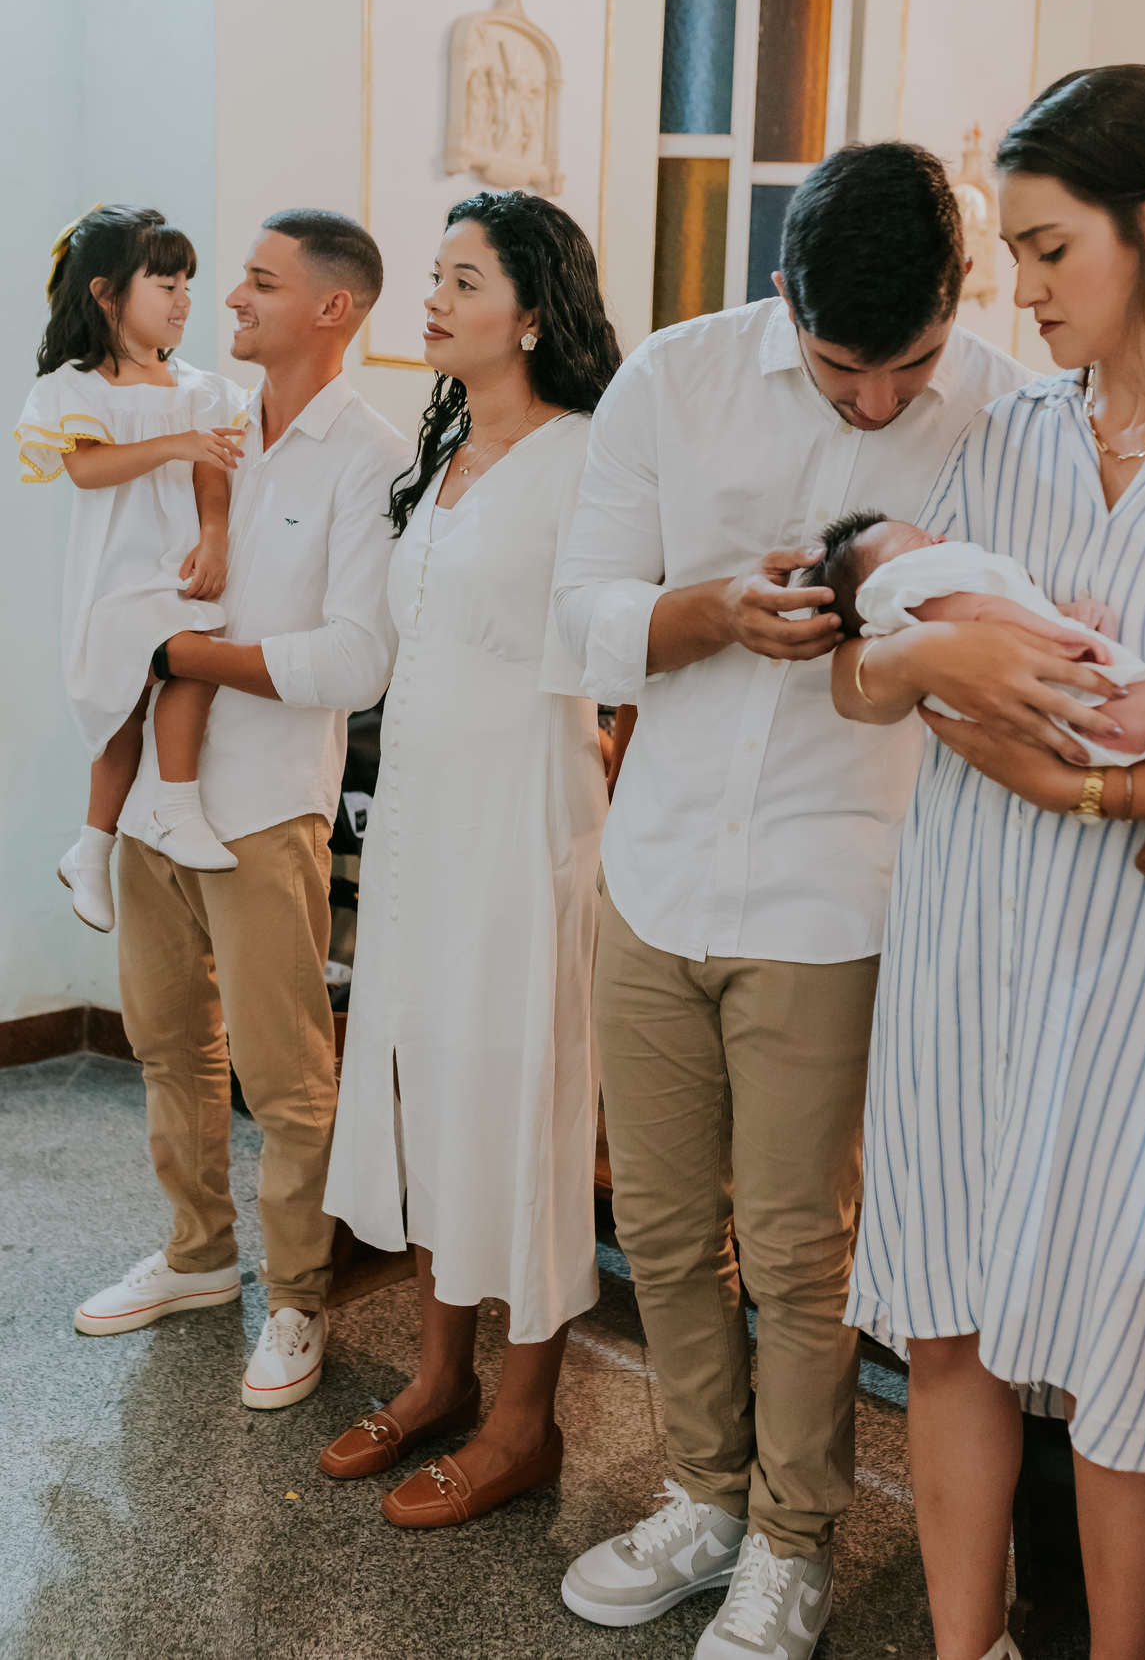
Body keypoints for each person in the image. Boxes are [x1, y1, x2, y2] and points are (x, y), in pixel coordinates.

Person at [553, 143, 1032, 1660]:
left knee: (801, 1248)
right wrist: (710, 611)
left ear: (960, 298)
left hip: (844, 886)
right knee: (665, 1225)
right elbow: (578, 613)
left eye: (911, 366)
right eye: (841, 369)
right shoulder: (676, 380)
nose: (878, 404)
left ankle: (791, 1543)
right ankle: (703, 1497)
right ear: (782, 294)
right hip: (659, 864)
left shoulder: (1010, 411)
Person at [836, 66, 1145, 1660]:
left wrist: (1081, 784)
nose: (1024, 289)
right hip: (968, 936)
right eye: (1014, 254)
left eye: (1052, 250)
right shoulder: (1005, 437)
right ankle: (962, 1644)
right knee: (950, 1312)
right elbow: (871, 670)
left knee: (1133, 1336)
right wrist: (938, 663)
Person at [73, 209, 413, 1412]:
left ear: (333, 307)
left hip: (265, 807)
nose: (230, 299)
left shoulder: (371, 456)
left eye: (261, 283)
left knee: (287, 1077)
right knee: (169, 1044)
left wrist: (188, 659)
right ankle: (198, 1255)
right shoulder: (203, 416)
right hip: (156, 803)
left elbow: (359, 658)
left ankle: (299, 1297)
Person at [319, 190, 620, 1527]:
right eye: (433, 277)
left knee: (527, 1101)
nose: (432, 300)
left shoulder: (588, 456)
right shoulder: (440, 450)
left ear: (534, 312)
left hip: (523, 822)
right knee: (431, 1081)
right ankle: (441, 1376)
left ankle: (523, 1422)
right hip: (423, 825)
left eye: (463, 280)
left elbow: (623, 652)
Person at [17, 205, 249, 934]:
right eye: (165, 284)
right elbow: (88, 469)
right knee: (119, 714)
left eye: (188, 285)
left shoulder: (204, 390)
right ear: (107, 293)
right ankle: (93, 847)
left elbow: (214, 475)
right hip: (115, 579)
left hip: (176, 572)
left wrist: (214, 538)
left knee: (194, 660)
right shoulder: (75, 389)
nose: (184, 300)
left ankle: (170, 808)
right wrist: (175, 441)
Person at [805, 510, 1145, 761]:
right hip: (1083, 709)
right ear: (875, 587)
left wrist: (1067, 612)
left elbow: (1007, 615)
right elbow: (987, 610)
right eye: (916, 540)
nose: (937, 538)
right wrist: (1062, 632)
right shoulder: (911, 590)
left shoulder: (917, 613)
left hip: (1041, 735)